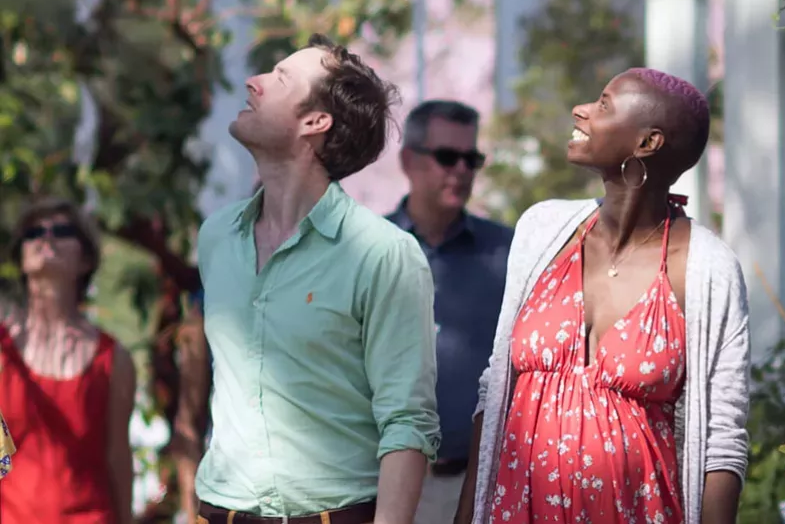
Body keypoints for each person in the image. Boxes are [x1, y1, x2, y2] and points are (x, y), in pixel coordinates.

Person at [455, 68, 750, 524]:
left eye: (605, 105)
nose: (582, 110)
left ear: (647, 143)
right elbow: (494, 388)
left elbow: (721, 438)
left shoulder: (708, 267)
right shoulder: (542, 231)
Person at [194, 33, 440, 524]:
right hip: (218, 511)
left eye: (279, 77)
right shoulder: (217, 236)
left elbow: (408, 423)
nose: (253, 82)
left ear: (315, 122)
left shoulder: (383, 254)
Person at [385, 101, 513, 524]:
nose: (460, 170)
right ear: (409, 160)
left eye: (470, 159)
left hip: (475, 487)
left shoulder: (508, 253)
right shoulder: (368, 250)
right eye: (446, 156)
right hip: (380, 482)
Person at [0, 198, 136, 524]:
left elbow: (117, 457)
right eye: (33, 233)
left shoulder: (114, 359)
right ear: (20, 257)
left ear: (86, 258)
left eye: (61, 230)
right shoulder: (2, 352)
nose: (45, 238)